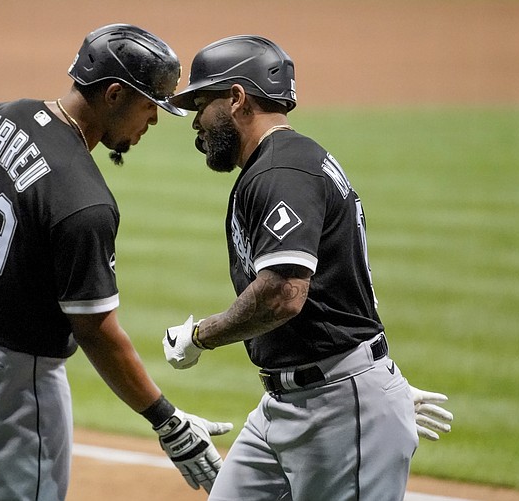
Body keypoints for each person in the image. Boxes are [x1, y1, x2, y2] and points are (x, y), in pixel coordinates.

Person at [0, 23, 232, 501]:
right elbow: (95, 329)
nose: (153, 122)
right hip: (8, 382)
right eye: (150, 106)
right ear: (114, 94)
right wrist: (166, 418)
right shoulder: (84, 200)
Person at [162, 35, 453, 501]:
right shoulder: (280, 165)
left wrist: (202, 336)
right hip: (294, 401)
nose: (196, 120)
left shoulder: (283, 172)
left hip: (337, 405)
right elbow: (341, 279)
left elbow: (283, 294)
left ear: (237, 99)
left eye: (202, 102)